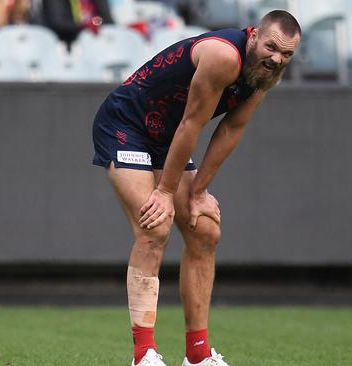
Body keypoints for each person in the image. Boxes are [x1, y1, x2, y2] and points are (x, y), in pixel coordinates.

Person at [91, 10, 301, 366]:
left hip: (167, 137)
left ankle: (198, 356)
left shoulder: (266, 75)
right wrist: (166, 192)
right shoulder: (223, 55)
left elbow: (231, 130)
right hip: (127, 125)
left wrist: (199, 191)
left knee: (205, 231)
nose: (277, 59)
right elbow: (192, 123)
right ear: (253, 36)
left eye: (287, 54)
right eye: (272, 47)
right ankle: (144, 356)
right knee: (154, 227)